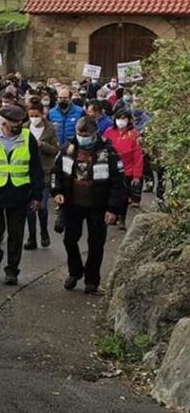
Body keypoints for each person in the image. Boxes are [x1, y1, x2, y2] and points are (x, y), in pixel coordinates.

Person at [51, 116, 128, 293]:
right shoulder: (68, 149)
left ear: (94, 133)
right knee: (69, 240)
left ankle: (91, 280)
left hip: (98, 206)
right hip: (73, 205)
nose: (82, 137)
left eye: (86, 134)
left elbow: (118, 183)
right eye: (79, 134)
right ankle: (75, 271)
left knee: (96, 243)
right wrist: (57, 192)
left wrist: (113, 209)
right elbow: (56, 173)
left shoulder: (108, 152)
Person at [0, 104, 44, 286]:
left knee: (16, 235)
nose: (17, 128)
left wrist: (37, 195)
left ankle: (12, 269)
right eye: (13, 124)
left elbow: (36, 168)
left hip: (19, 194)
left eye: (20, 124)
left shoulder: (28, 138)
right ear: (2, 121)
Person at [24, 100, 59, 249]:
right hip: (27, 172)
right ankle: (32, 237)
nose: (33, 118)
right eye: (31, 115)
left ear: (42, 114)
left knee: (42, 207)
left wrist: (42, 145)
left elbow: (55, 149)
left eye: (36, 115)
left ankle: (44, 231)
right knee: (30, 208)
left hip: (44, 172)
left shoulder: (50, 129)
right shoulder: (24, 128)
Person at [102, 110, 143, 222]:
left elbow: (138, 156)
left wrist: (137, 176)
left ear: (129, 120)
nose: (121, 121)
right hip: (110, 169)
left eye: (124, 119)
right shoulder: (109, 132)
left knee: (123, 197)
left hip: (127, 170)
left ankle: (122, 218)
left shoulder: (134, 134)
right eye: (119, 118)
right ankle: (111, 214)